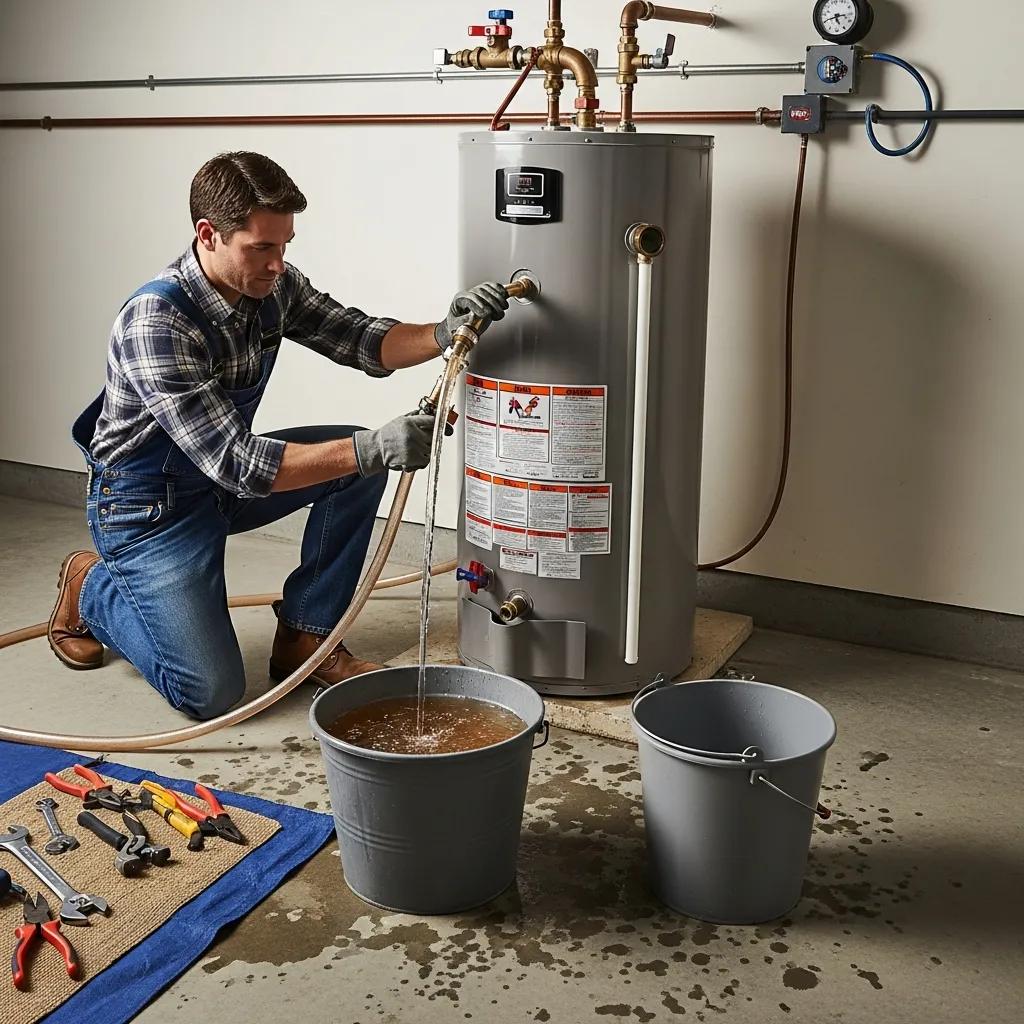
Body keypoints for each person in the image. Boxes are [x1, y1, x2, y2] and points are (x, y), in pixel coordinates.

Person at [45, 151, 509, 720]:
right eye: (261, 248)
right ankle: (92, 584)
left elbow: (361, 340)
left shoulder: (273, 286)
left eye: (284, 245)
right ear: (208, 234)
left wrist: (444, 331)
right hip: (150, 512)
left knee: (354, 465)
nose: (276, 263)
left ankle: (304, 637)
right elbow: (237, 462)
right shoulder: (158, 321)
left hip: (216, 483)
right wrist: (371, 449)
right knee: (209, 693)